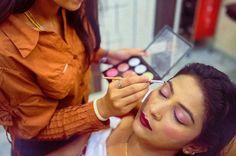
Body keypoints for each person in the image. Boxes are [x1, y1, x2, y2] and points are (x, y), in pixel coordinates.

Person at [0, 0, 150, 155]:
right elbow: (34, 127)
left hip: (82, 131)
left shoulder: (67, 3)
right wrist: (102, 108)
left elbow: (67, 55)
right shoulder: (6, 49)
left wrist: (106, 55)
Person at [47, 63, 236, 156]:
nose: (155, 108)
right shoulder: (118, 119)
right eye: (163, 92)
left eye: (178, 117)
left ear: (194, 146)